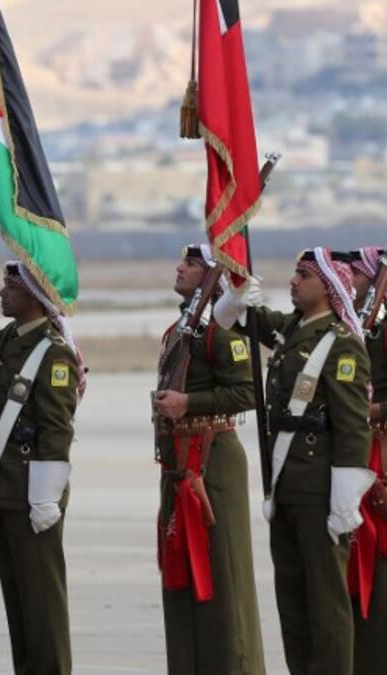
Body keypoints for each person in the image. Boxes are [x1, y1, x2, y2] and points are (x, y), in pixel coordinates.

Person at [215, 247, 374, 674]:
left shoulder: (341, 345)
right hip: (285, 484)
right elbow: (235, 318)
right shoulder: (292, 329)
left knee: (326, 602)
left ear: (328, 286)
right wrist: (238, 291)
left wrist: (345, 496)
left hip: (320, 487)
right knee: (293, 600)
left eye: (303, 275)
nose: (293, 280)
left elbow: (353, 425)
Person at [0, 260, 84, 675]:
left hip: (33, 492)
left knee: (42, 604)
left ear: (35, 297)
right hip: (7, 489)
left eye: (11, 286)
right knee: (20, 604)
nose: (2, 292)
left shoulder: (53, 352)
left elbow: (56, 430)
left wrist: (45, 497)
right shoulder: (11, 338)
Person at [152, 244, 264, 674]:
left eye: (192, 263)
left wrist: (189, 402)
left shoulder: (221, 332)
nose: (180, 268)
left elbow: (249, 392)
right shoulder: (178, 331)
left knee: (222, 575)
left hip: (212, 462)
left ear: (212, 276)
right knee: (180, 574)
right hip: (179, 462)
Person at [342, 246, 387, 675]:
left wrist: (368, 411)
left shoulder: (383, 328)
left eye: (354, 272)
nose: (347, 279)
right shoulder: (354, 328)